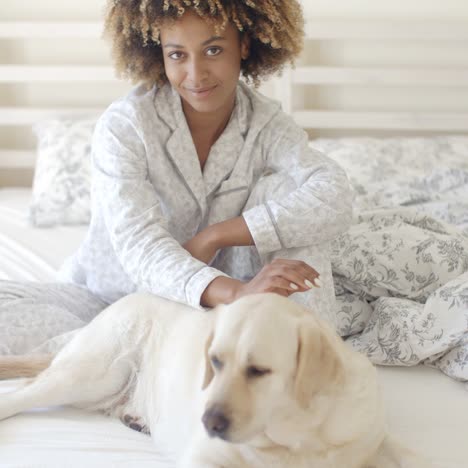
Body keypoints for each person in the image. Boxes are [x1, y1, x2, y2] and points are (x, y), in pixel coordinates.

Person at [0, 0, 352, 356]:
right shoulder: (127, 125)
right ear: (159, 55)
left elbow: (334, 195)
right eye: (177, 55)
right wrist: (233, 291)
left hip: (219, 308)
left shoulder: (266, 124)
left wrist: (216, 235)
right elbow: (140, 244)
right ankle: (119, 353)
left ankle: (313, 358)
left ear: (244, 45)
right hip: (112, 297)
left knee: (287, 191)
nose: (196, 74)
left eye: (213, 50)